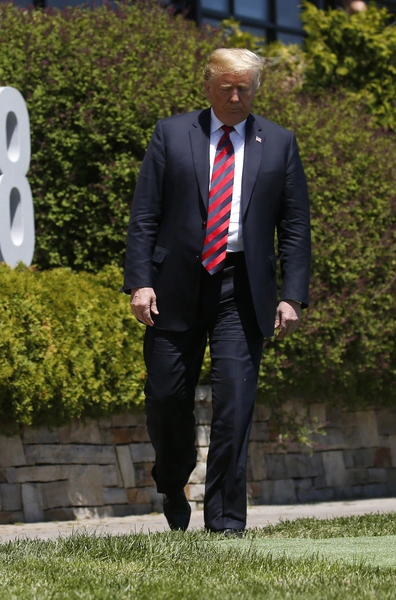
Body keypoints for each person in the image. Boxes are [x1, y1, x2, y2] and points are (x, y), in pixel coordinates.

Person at [123, 48, 311, 536]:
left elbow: (294, 228)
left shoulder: (280, 143)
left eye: (244, 87)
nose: (235, 96)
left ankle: (226, 523)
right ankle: (171, 481)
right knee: (166, 397)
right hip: (173, 288)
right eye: (226, 86)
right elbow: (145, 215)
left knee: (235, 405)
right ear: (207, 85)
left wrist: (292, 295)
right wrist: (140, 281)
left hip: (242, 287)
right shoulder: (170, 134)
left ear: (255, 90)